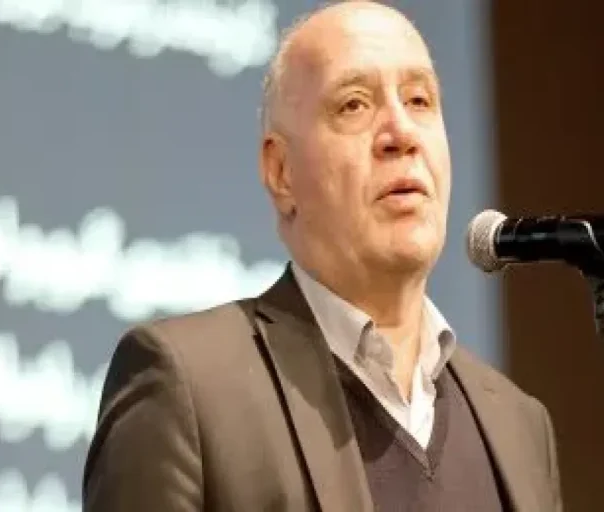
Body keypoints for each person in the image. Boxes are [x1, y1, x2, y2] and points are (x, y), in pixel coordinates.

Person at [82, 1, 563, 511]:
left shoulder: (518, 426)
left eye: (419, 100)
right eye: (354, 105)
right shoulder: (191, 387)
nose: (402, 134)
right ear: (281, 172)